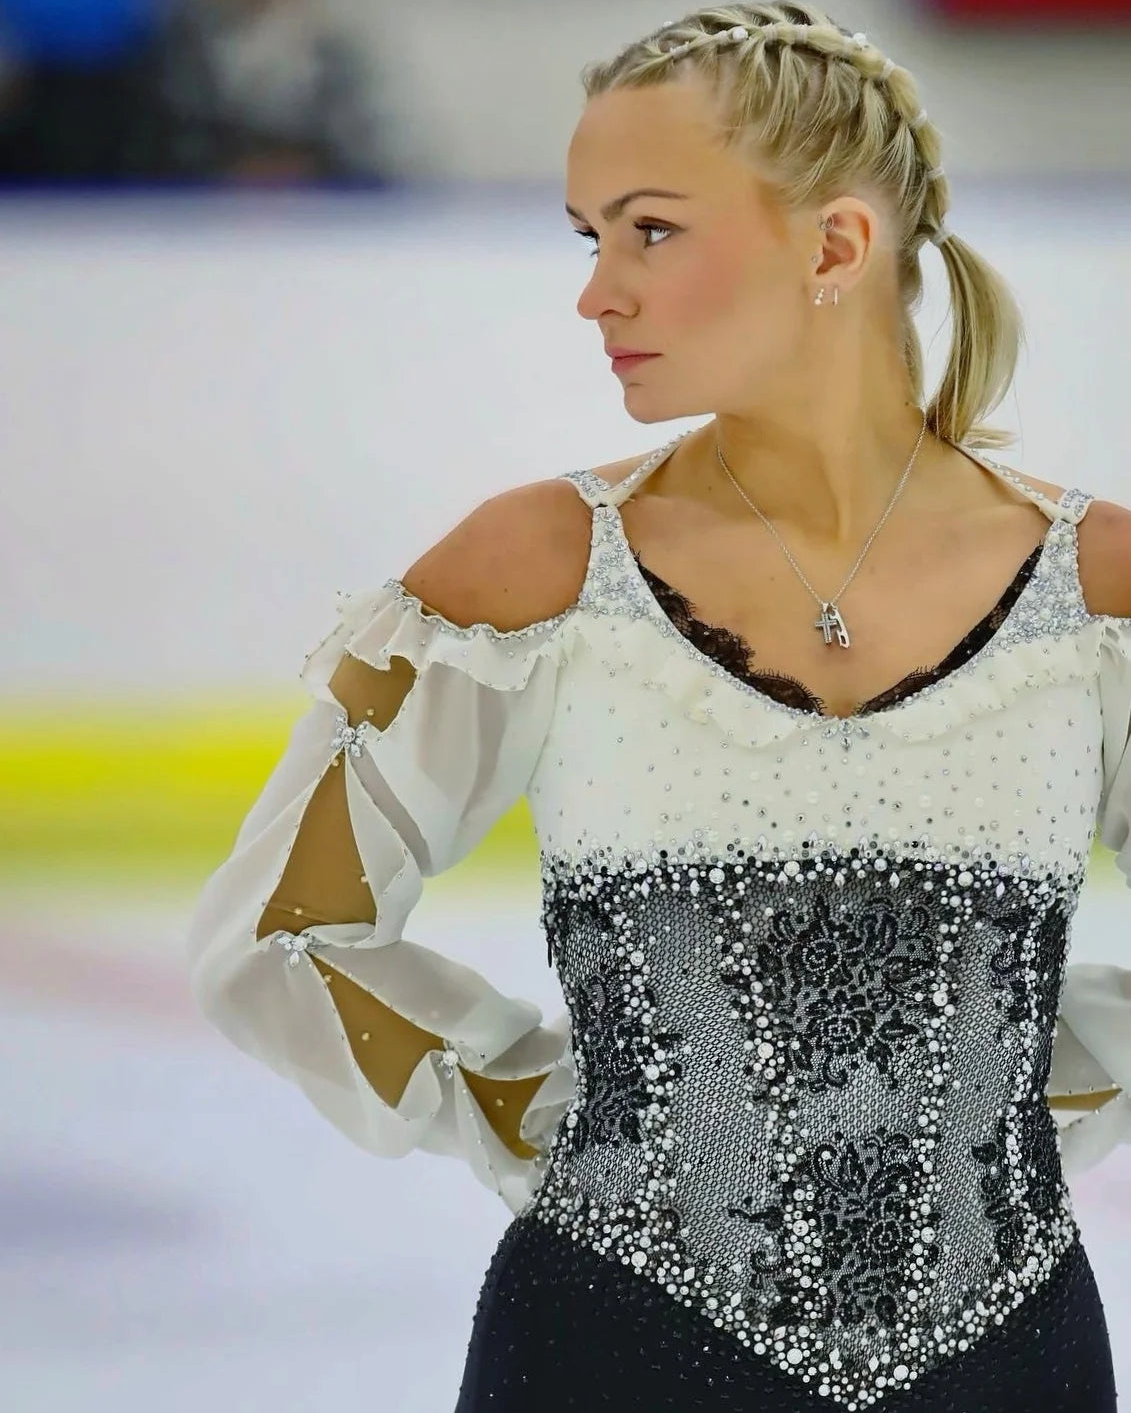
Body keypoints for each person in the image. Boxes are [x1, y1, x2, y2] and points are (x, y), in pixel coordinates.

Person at [184, 7, 1131, 1411]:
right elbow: (277, 938)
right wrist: (553, 1119)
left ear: (834, 246)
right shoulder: (532, 569)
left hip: (1010, 1362)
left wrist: (998, 1112)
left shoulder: (1100, 588)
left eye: (650, 232)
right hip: (607, 1345)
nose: (597, 294)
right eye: (590, 238)